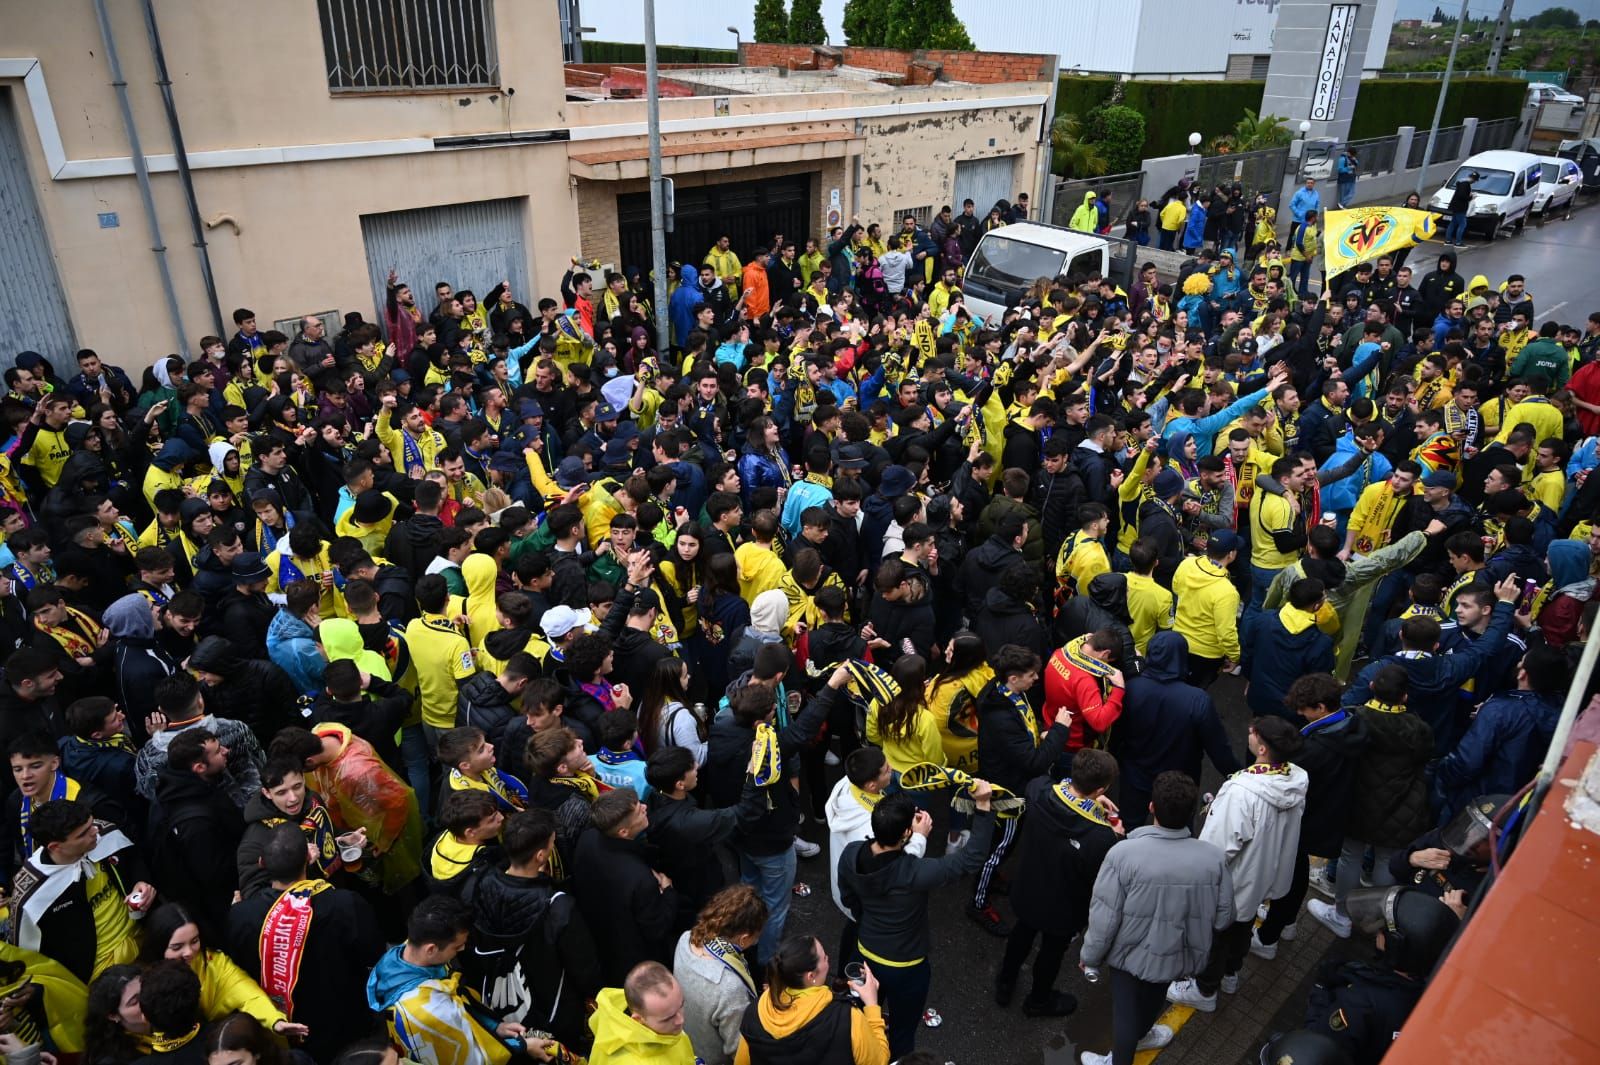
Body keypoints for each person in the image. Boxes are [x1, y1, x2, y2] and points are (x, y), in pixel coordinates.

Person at [1078, 771, 1232, 1065]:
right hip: (1179, 951)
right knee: (1154, 997)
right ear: (1191, 814)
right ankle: (1144, 1034)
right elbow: (1225, 917)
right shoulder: (1213, 859)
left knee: (1124, 1014)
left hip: (1128, 954)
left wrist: (1091, 957)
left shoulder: (1123, 854)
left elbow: (1104, 918)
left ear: (1151, 807)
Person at [839, 787, 996, 1057]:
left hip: (864, 954)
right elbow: (971, 858)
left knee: (861, 1023)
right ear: (905, 833)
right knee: (902, 1033)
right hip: (906, 969)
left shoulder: (852, 854)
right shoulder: (916, 872)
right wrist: (983, 806)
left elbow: (850, 898)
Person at [1168, 717, 1307, 1013]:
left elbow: (1216, 849)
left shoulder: (1242, 793)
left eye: (1255, 732)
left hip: (1234, 881)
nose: (1249, 731)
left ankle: (1205, 990)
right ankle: (1231, 974)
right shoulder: (1295, 780)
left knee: (1216, 935)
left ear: (1263, 749)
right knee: (1242, 928)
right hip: (1264, 876)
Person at [457, 809, 603, 1054]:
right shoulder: (558, 906)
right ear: (540, 855)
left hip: (497, 1000)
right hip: (554, 1010)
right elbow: (584, 967)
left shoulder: (478, 884)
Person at [996, 749, 1122, 1019]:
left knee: (1021, 935)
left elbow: (1055, 787)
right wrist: (1116, 835)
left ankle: (1005, 983)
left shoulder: (1039, 792)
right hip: (1063, 906)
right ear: (1100, 789)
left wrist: (1092, 798)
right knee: (1052, 952)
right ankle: (1039, 1000)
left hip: (1028, 888)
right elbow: (1099, 876)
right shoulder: (1101, 837)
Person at [368, 895, 556, 1065]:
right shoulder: (430, 1011)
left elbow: (460, 1007)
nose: (463, 949)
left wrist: (494, 1026)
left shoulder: (401, 955)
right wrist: (523, 1045)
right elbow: (474, 1058)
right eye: (457, 947)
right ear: (431, 949)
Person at [1306, 886, 1461, 1064]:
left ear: (1396, 948)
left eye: (1384, 930)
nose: (1379, 932)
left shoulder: (1358, 1004)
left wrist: (1320, 989)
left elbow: (1316, 1044)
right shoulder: (1439, 987)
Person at [8, 797, 155, 982]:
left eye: (92, 824)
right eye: (83, 834)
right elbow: (31, 963)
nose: (95, 832)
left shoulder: (104, 832)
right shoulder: (31, 898)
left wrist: (140, 881)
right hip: (101, 977)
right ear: (55, 846)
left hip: (146, 940)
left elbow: (134, 859)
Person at [573, 787, 680, 985]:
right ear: (624, 832)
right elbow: (657, 928)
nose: (646, 808)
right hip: (635, 958)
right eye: (639, 810)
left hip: (600, 939)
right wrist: (668, 892)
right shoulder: (640, 879)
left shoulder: (587, 839)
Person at [733, 935, 888, 1065]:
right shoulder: (846, 1019)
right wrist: (872, 1005)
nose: (828, 958)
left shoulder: (756, 1011)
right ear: (811, 976)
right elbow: (878, 1060)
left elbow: (741, 1061)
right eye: (824, 957)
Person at [673, 885, 768, 1065]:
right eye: (756, 937)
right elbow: (738, 1048)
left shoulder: (686, 938)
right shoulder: (729, 987)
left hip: (685, 1039)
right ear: (743, 939)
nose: (756, 941)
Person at [589, 961, 699, 1065]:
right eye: (668, 1018)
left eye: (681, 1006)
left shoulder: (659, 1021)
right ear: (638, 1019)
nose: (681, 1020)